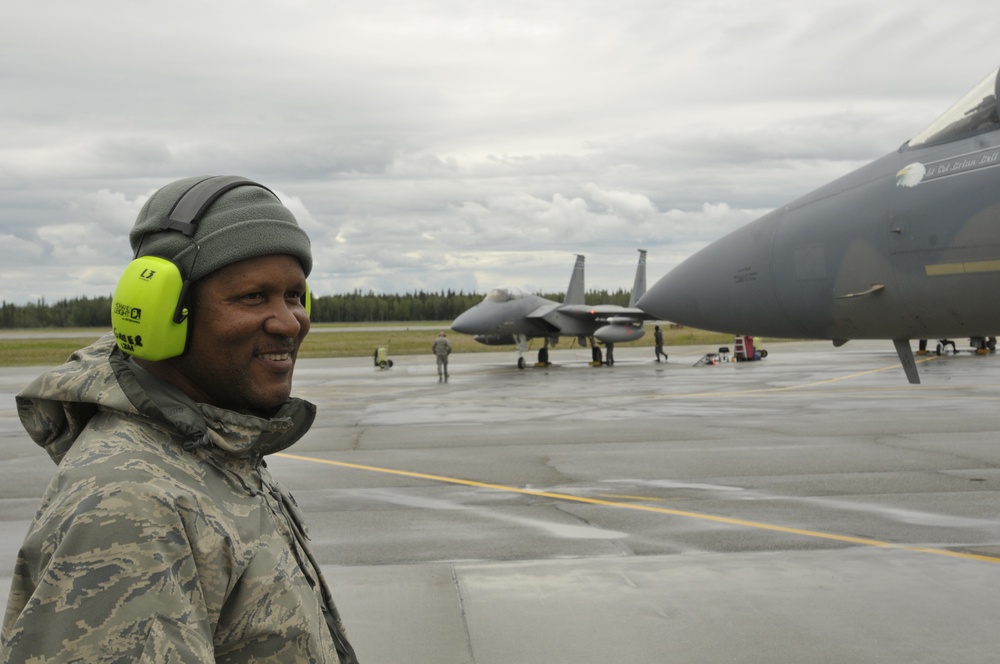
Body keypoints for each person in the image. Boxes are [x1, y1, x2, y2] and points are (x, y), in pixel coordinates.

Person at [0, 176, 358, 663]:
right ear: (161, 313)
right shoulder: (133, 503)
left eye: (294, 296)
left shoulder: (216, 450)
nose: (289, 321)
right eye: (254, 297)